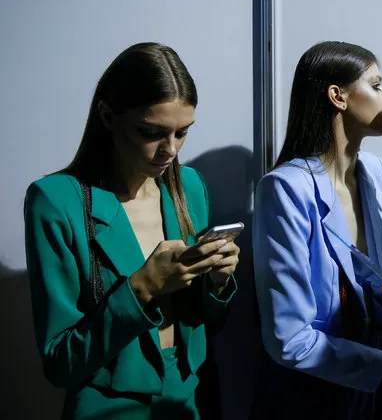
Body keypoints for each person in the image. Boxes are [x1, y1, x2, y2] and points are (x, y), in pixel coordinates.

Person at [24, 42, 240, 419]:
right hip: (106, 406)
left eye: (183, 132)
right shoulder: (57, 201)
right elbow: (60, 363)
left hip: (188, 397)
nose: (170, 150)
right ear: (108, 116)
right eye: (151, 132)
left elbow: (208, 323)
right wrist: (143, 287)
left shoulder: (189, 188)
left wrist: (218, 283)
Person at [252, 41, 382, 419]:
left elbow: (372, 283)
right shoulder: (285, 188)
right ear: (337, 97)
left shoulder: (374, 172)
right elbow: (288, 339)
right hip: (312, 393)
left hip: (377, 388)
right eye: (376, 86)